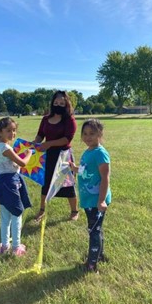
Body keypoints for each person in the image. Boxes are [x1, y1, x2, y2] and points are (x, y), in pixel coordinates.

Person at [70, 118, 111, 273]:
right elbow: (87, 169)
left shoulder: (100, 153)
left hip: (96, 201)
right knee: (96, 229)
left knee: (93, 230)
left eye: (92, 134)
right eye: (85, 134)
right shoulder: (89, 151)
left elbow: (105, 178)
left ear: (100, 134)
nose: (87, 137)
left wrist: (101, 201)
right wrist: (75, 168)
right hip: (89, 199)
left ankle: (92, 264)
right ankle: (99, 255)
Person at [0, 117, 33, 256]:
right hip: (10, 185)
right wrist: (29, 154)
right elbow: (23, 163)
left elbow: (13, 163)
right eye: (8, 130)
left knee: (5, 217)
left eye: (14, 130)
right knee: (16, 215)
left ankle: (5, 245)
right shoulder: (5, 148)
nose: (12, 133)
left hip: (3, 184)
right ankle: (16, 247)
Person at [33, 90, 78, 222]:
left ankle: (74, 211)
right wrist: (34, 143)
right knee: (45, 183)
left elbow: (67, 139)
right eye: (56, 102)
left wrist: (49, 144)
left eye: (62, 103)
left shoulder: (69, 120)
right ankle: (41, 210)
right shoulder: (45, 119)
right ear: (52, 103)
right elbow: (40, 134)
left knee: (67, 184)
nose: (58, 105)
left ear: (66, 104)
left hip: (64, 156)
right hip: (48, 156)